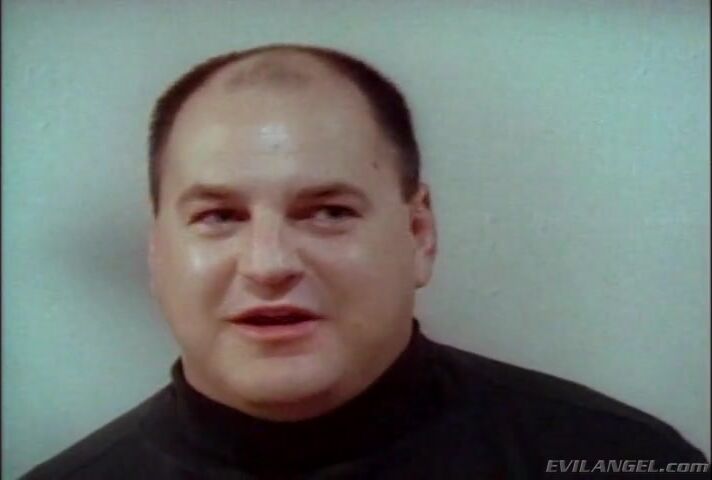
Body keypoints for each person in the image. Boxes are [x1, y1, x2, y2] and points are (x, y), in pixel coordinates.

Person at [23, 44, 707, 479]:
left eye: (328, 211)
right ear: (157, 253)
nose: (268, 264)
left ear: (419, 234)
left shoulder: (624, 461)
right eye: (220, 216)